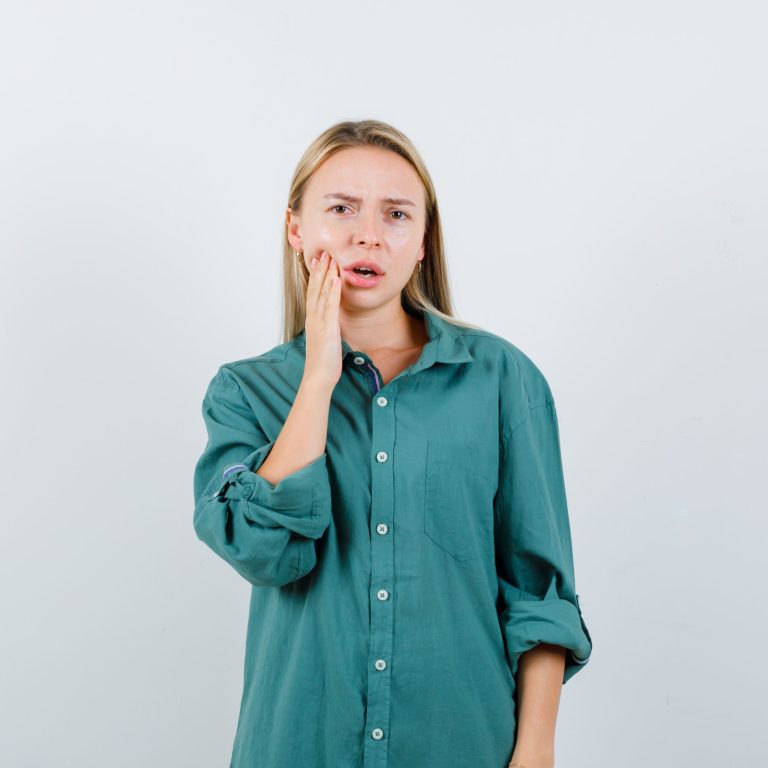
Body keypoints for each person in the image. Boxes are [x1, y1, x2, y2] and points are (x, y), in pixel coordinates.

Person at [192, 119, 593, 768]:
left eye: (397, 213)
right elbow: (261, 552)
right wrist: (318, 379)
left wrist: (535, 753)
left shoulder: (502, 380)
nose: (368, 233)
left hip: (463, 746)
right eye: (341, 208)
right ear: (296, 228)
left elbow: (539, 590)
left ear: (424, 242)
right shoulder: (245, 390)